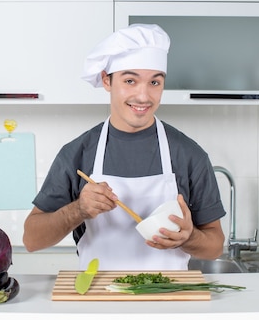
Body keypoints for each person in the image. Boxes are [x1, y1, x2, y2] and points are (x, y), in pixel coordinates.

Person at [23, 23, 226, 270]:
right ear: (106, 81)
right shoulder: (77, 153)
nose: (143, 96)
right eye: (130, 80)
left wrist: (190, 238)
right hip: (101, 299)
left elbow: (215, 245)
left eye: (155, 83)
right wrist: (78, 210)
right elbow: (31, 240)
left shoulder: (189, 154)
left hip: (168, 298)